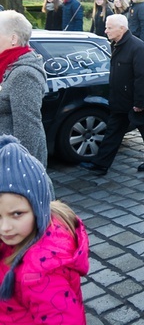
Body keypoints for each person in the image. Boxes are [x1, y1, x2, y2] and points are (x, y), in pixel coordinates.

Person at [0, 136, 89, 323]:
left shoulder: (39, 273)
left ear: (38, 208)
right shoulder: (19, 235)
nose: (5, 227)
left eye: (17, 213)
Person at [79, 14, 144, 175]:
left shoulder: (137, 46)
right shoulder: (116, 44)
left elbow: (143, 77)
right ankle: (101, 164)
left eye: (109, 27)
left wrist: (140, 103)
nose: (106, 30)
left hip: (134, 101)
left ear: (122, 29)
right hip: (119, 100)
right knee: (113, 131)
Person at [0, 11, 47, 164]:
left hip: (10, 162)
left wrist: (20, 169)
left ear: (13, 38)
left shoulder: (24, 74)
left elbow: (28, 130)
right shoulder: (6, 65)